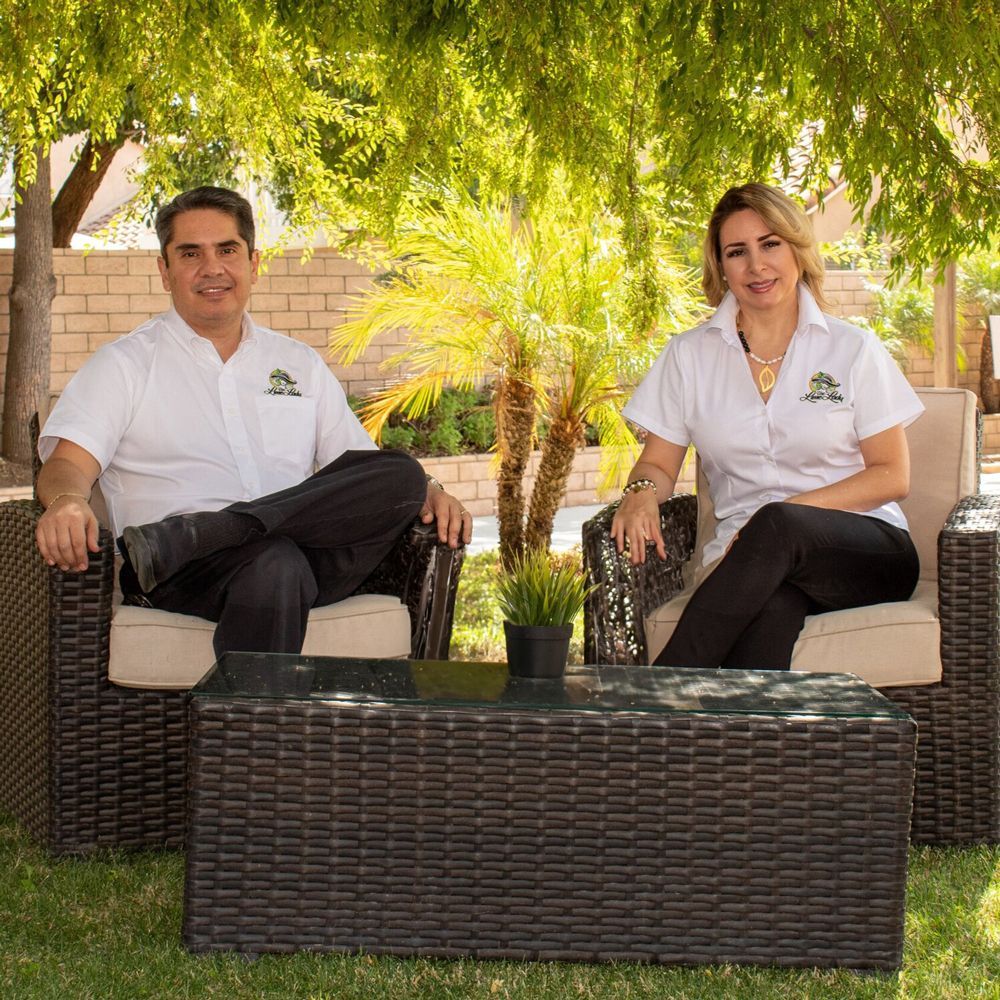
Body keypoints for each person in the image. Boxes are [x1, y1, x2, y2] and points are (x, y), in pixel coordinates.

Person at [34, 186, 472, 657]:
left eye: (227, 250)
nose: (212, 268)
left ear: (253, 263)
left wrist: (430, 490)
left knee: (400, 471)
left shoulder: (298, 364)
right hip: (184, 573)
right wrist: (65, 502)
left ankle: (213, 529)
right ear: (165, 271)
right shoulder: (123, 365)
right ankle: (250, 726)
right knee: (275, 562)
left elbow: (362, 470)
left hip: (306, 556)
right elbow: (67, 466)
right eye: (190, 253)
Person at [611, 182, 922, 669]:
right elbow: (656, 461)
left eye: (770, 244)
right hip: (746, 566)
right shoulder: (689, 357)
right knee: (773, 611)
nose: (756, 266)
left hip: (866, 551)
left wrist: (776, 519)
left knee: (777, 522)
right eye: (737, 252)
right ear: (721, 267)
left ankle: (658, 692)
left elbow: (891, 475)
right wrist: (642, 490)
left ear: (796, 249)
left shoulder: (852, 350)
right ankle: (747, 743)